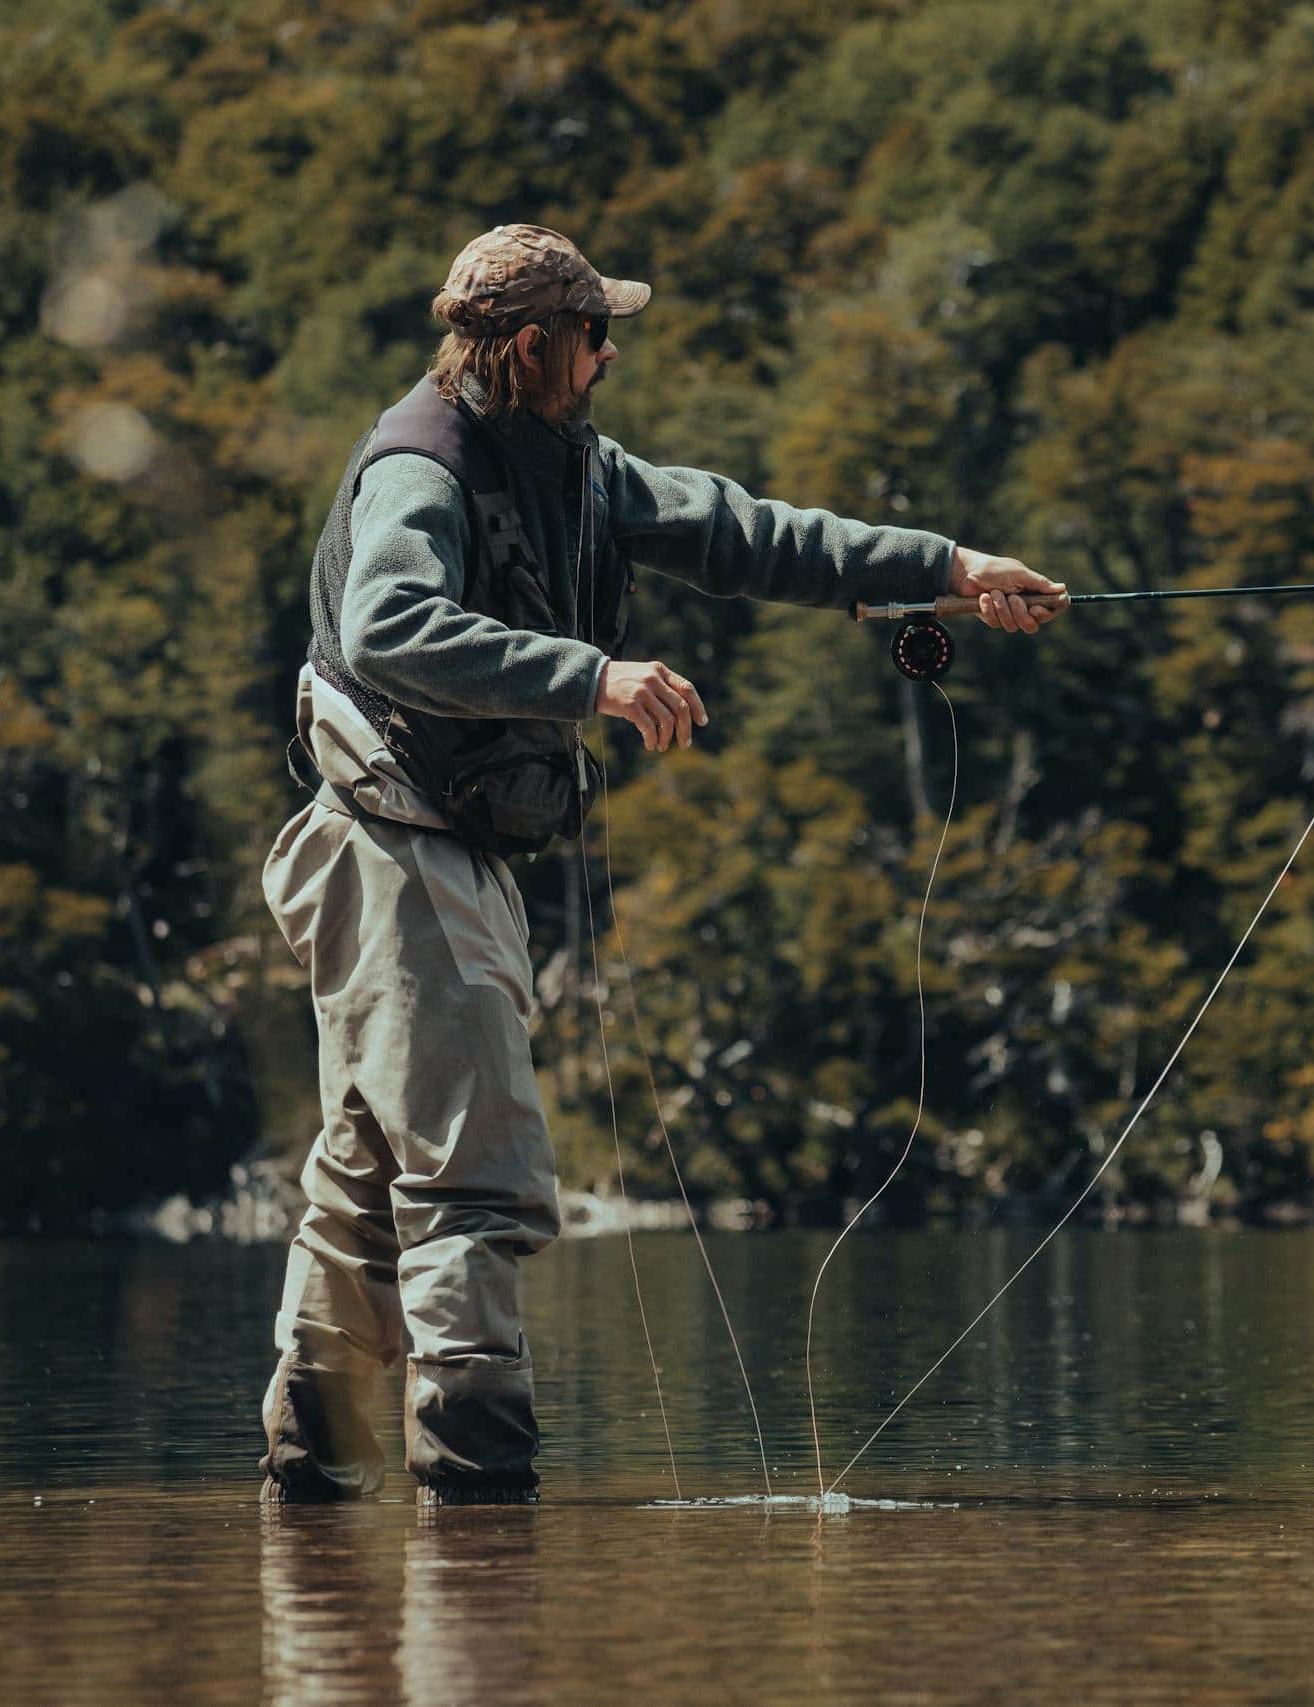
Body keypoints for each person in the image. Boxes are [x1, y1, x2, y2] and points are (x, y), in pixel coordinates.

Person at [257, 223, 1063, 1503]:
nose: (608, 353)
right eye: (592, 335)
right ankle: (478, 1496)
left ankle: (308, 1517)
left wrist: (947, 570)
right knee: (478, 1176)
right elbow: (390, 624)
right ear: (530, 346)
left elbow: (743, 533)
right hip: (390, 845)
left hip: (427, 851)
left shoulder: (569, 461)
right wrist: (596, 676)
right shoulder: (423, 462)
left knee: (364, 1187)